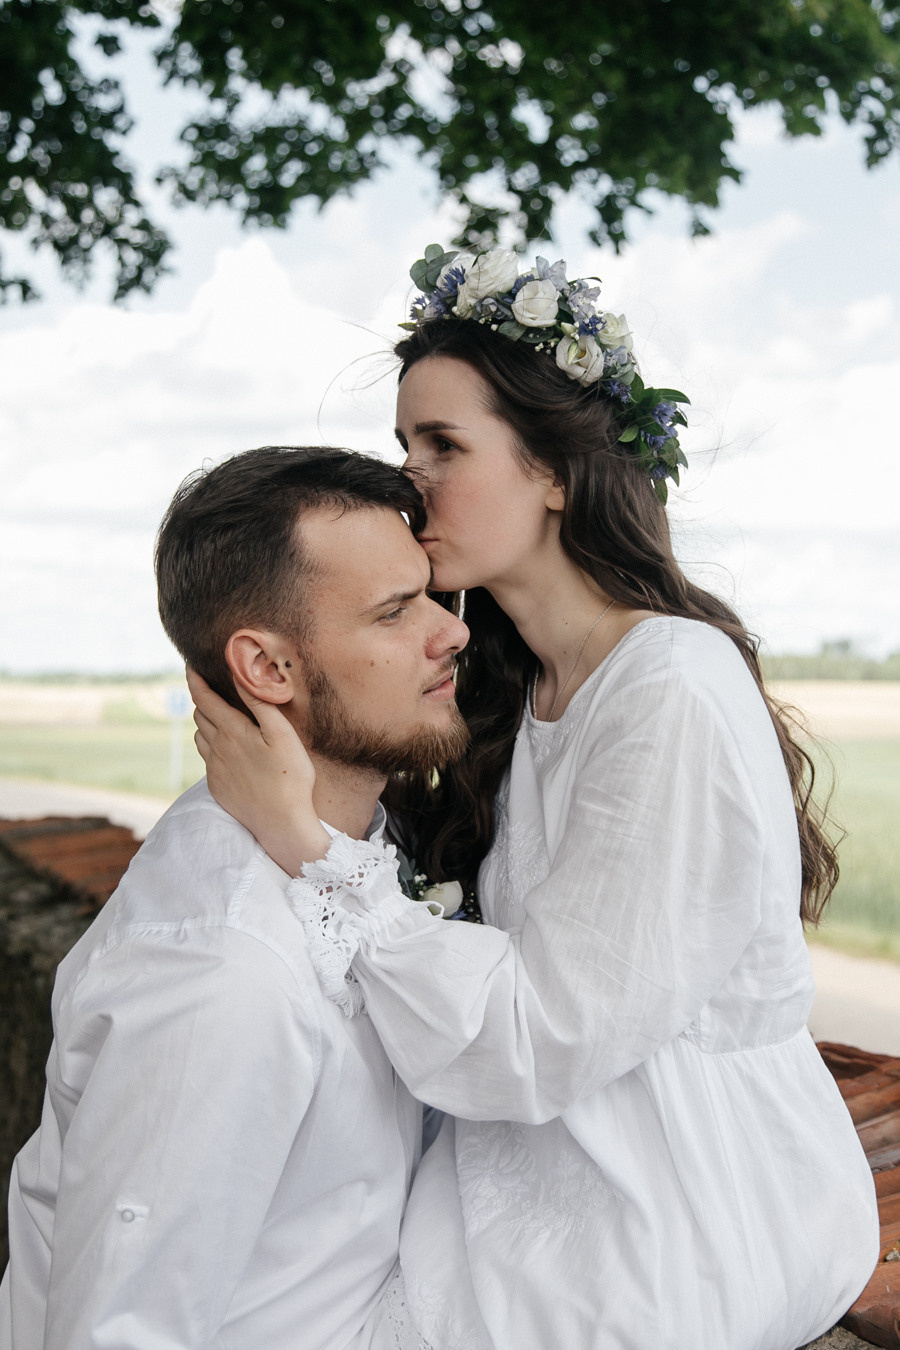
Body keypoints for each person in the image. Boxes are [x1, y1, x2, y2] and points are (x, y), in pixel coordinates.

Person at [190, 249, 880, 1350]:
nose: (407, 482)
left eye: (444, 447)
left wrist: (312, 845)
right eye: (403, 446)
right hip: (542, 1170)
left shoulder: (669, 689)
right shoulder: (521, 685)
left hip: (686, 1213)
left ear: (555, 470)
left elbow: (538, 1033)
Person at [0, 445, 470, 1350]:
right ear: (268, 668)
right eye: (393, 611)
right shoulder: (222, 973)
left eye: (429, 595)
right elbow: (120, 1332)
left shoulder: (350, 850)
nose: (448, 631)